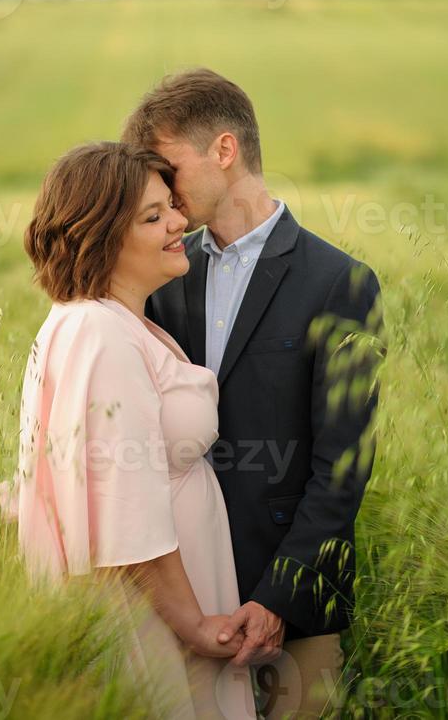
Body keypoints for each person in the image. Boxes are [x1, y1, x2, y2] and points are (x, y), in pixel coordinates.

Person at [121, 68, 386, 718]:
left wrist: (278, 598)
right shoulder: (163, 274)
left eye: (168, 166)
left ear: (224, 150)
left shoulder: (341, 283)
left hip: (296, 608)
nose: (161, 189)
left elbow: (343, 470)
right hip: (183, 596)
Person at [0, 141, 257, 720]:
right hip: (150, 613)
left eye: (171, 206)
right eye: (153, 217)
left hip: (169, 594)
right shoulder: (101, 333)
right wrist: (195, 625)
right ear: (100, 235)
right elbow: (124, 501)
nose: (180, 222)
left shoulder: (113, 322)